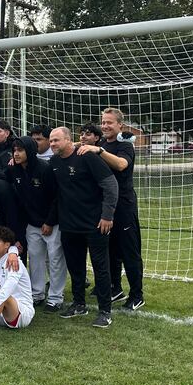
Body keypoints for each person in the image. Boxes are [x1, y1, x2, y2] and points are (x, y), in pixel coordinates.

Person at [49, 126, 119, 328]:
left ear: (69, 140)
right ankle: (79, 304)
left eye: (57, 140)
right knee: (75, 267)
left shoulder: (87, 156)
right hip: (69, 225)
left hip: (95, 224)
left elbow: (110, 185)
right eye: (51, 141)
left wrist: (107, 215)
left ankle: (105, 311)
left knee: (100, 268)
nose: (53, 144)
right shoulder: (53, 162)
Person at [78, 108, 144, 311]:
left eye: (110, 122)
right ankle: (115, 287)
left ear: (120, 126)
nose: (105, 126)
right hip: (105, 206)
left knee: (129, 251)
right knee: (110, 249)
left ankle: (137, 295)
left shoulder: (124, 145)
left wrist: (99, 151)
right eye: (103, 122)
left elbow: (122, 165)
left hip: (123, 206)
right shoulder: (102, 144)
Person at [7, 136, 67, 312]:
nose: (16, 154)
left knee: (55, 259)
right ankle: (37, 294)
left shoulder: (44, 169)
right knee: (35, 259)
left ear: (30, 151)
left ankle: (55, 298)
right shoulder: (13, 169)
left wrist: (49, 221)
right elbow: (0, 179)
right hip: (31, 224)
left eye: (20, 150)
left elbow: (56, 197)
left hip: (51, 224)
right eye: (14, 151)